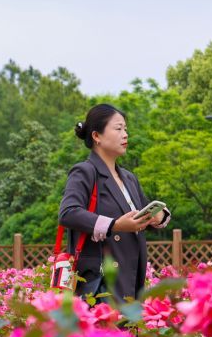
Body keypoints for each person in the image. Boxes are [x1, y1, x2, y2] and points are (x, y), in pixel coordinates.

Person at [59, 103, 171, 303]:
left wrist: (157, 216)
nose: (125, 134)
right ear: (96, 136)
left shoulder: (128, 178)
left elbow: (143, 213)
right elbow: (68, 212)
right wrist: (116, 225)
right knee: (105, 332)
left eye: (126, 129)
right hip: (100, 283)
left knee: (128, 331)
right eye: (118, 129)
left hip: (131, 278)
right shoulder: (85, 171)